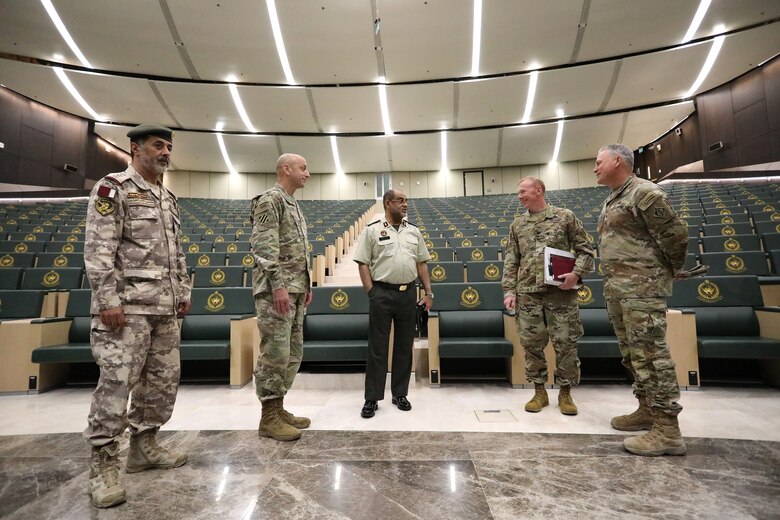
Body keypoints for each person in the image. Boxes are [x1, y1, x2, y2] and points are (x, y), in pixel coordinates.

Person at [83, 123, 192, 508]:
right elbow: (98, 249)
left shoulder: (167, 196)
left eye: (168, 146)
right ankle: (103, 466)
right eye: (157, 145)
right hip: (126, 309)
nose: (165, 152)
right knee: (116, 386)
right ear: (135, 148)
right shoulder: (114, 189)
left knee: (160, 385)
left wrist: (183, 291)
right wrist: (108, 300)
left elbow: (176, 250)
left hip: (164, 308)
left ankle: (144, 449)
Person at [594, 143, 688, 456]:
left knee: (651, 354)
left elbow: (675, 236)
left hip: (642, 290)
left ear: (617, 160)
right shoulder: (614, 197)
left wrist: (664, 273)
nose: (595, 168)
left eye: (599, 162)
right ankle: (646, 408)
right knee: (634, 354)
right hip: (621, 289)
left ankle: (667, 429)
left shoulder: (645, 193)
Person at [501, 177, 594, 415]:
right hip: (528, 294)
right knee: (532, 345)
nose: (519, 196)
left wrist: (576, 273)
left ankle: (565, 393)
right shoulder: (517, 225)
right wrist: (509, 291)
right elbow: (512, 259)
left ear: (539, 190)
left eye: (523, 191)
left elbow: (586, 249)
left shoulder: (565, 216)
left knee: (565, 344)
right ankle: (539, 391)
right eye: (518, 192)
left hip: (560, 294)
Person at [354, 189, 433, 418]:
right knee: (377, 348)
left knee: (404, 346)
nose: (405, 204)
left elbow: (422, 264)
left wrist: (428, 292)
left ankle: (400, 393)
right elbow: (362, 263)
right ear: (388, 203)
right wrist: (372, 292)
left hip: (408, 294)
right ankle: (372, 398)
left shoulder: (414, 232)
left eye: (407, 200)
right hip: (382, 294)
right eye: (401, 201)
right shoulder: (372, 231)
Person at [251, 153, 313, 442]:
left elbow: (299, 250)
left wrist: (306, 286)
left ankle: (278, 407)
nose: (307, 174)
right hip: (277, 291)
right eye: (303, 168)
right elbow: (264, 247)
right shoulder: (270, 200)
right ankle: (268, 417)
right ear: (285, 169)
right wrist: (278, 286)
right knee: (275, 353)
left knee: (292, 353)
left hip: (295, 289)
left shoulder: (294, 205)